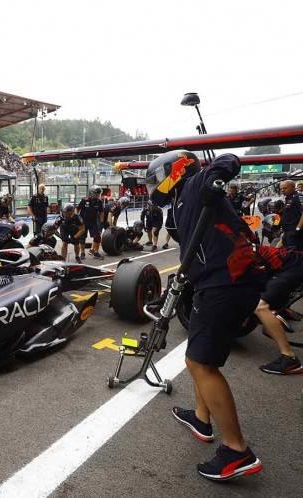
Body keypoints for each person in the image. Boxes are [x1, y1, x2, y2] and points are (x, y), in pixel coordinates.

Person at [146, 150, 266, 482]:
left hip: (225, 283)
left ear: (175, 172)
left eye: (156, 179)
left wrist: (216, 177)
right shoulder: (179, 206)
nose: (153, 187)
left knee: (200, 363)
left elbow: (229, 159)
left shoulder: (196, 185)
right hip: (212, 284)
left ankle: (236, 450)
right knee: (197, 358)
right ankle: (201, 417)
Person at [253, 244, 303, 374]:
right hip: (288, 262)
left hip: (293, 269)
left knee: (260, 306)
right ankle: (276, 313)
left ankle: (290, 358)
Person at [76, 185, 104, 259]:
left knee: (97, 237)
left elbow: (101, 212)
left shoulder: (99, 202)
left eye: (99, 194)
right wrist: (77, 218)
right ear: (92, 193)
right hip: (83, 222)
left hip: (93, 222)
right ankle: (82, 253)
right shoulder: (84, 200)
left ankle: (96, 252)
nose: (98, 195)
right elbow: (77, 209)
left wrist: (101, 222)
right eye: (97, 194)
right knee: (82, 238)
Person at [279, 179, 303, 250]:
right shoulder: (288, 199)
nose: (282, 190)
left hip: (295, 233)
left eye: (285, 188)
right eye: (281, 189)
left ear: (293, 187)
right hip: (287, 232)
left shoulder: (299, 197)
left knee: (295, 255)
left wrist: (298, 229)